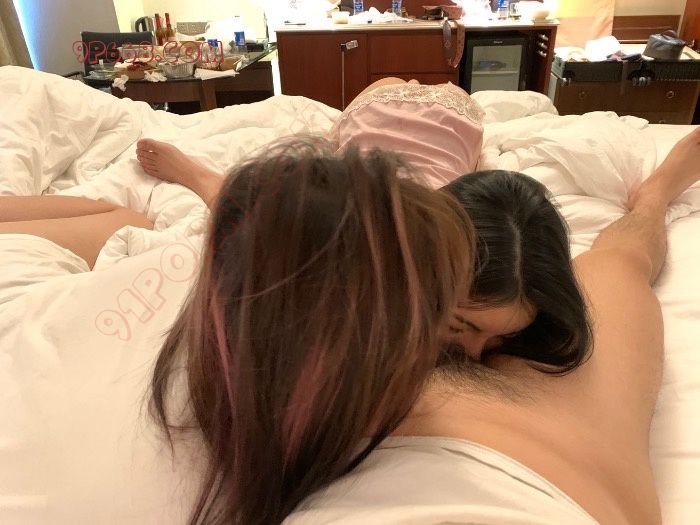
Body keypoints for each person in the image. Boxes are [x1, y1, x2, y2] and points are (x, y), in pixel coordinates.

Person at [287, 128, 700, 525]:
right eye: (458, 324)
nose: (474, 353)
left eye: (506, 336)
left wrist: (657, 194)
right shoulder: (355, 313)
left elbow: (628, 250)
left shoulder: (581, 347)